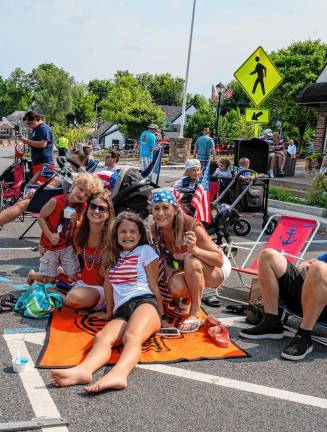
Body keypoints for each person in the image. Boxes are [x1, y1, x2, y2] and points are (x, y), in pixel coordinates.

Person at [50, 211, 164, 392]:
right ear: (116, 235)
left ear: (140, 234)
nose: (128, 235)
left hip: (144, 303)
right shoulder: (113, 256)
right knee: (102, 337)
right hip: (122, 310)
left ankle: (119, 374)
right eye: (123, 232)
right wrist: (108, 312)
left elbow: (153, 284)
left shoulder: (145, 251)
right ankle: (83, 371)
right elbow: (109, 286)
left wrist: (162, 314)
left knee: (131, 336)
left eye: (133, 231)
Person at [150, 189, 231, 333]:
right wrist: (169, 277)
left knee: (191, 259)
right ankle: (186, 301)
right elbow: (163, 257)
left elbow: (218, 260)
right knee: (174, 285)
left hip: (216, 268)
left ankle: (195, 313)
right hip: (188, 268)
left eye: (165, 208)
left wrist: (195, 250)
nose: (160, 213)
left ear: (175, 209)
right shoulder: (156, 228)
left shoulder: (190, 225)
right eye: (156, 208)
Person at [239, 249, 327, 361]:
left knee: (319, 268)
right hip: (307, 296)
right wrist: (305, 263)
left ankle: (304, 336)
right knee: (268, 255)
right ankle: (271, 321)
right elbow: (314, 261)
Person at [27, 173, 103, 285]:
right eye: (81, 189)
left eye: (86, 195)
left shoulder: (83, 206)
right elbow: (41, 217)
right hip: (51, 245)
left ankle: (61, 272)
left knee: (73, 277)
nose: (82, 195)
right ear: (74, 185)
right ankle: (32, 275)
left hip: (67, 246)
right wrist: (49, 235)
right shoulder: (56, 201)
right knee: (49, 280)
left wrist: (75, 222)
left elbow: (79, 225)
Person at [0, 149, 90, 228]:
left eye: (73, 161)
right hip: (53, 197)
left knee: (22, 204)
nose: (71, 163)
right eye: (70, 160)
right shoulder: (73, 173)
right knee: (22, 203)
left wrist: (37, 190)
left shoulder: (81, 176)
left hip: (57, 202)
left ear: (82, 162)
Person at [64, 190, 114, 311]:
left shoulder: (112, 236)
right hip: (82, 283)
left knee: (74, 299)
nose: (96, 211)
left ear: (108, 213)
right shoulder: (80, 231)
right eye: (93, 206)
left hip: (102, 290)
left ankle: (56, 295)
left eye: (102, 208)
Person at [22, 111, 54, 185]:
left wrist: (27, 141)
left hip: (44, 164)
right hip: (38, 163)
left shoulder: (44, 128)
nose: (29, 125)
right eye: (27, 123)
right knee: (36, 188)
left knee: (41, 189)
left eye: (30, 123)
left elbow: (43, 144)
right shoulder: (36, 129)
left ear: (37, 119)